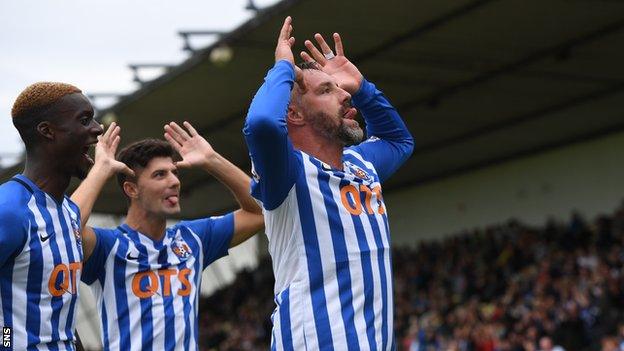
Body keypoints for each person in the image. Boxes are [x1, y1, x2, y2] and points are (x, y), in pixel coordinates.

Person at [243, 16, 414, 350]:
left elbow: (399, 142)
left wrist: (362, 88)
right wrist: (282, 68)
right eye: (326, 90)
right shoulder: (288, 171)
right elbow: (262, 123)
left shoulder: (361, 165)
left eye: (340, 88)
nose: (344, 95)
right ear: (294, 115)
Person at [71, 121, 264, 350]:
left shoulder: (193, 239)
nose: (174, 181)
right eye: (160, 175)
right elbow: (63, 231)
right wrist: (101, 169)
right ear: (131, 189)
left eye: (174, 172)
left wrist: (212, 160)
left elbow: (260, 212)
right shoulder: (107, 247)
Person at [0, 82, 106, 350]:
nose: (97, 128)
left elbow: (58, 316)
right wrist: (6, 341)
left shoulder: (70, 212)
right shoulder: (9, 210)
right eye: (84, 120)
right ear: (47, 131)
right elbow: (6, 330)